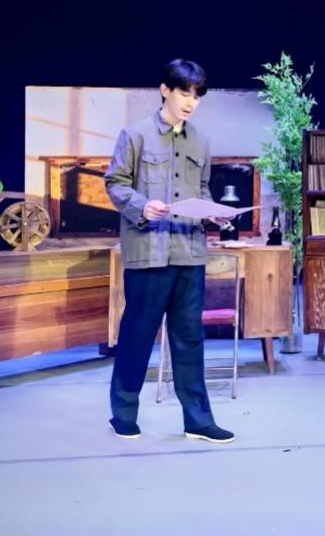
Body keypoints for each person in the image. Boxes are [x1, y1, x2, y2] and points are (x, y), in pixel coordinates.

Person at [105, 59, 234, 443]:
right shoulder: (135, 135)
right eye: (184, 93)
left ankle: (198, 420)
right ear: (165, 90)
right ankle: (123, 414)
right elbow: (115, 183)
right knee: (138, 335)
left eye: (197, 96)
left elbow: (203, 189)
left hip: (189, 254)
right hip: (148, 251)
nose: (191, 102)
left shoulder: (201, 142)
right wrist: (142, 205)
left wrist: (213, 213)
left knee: (190, 338)